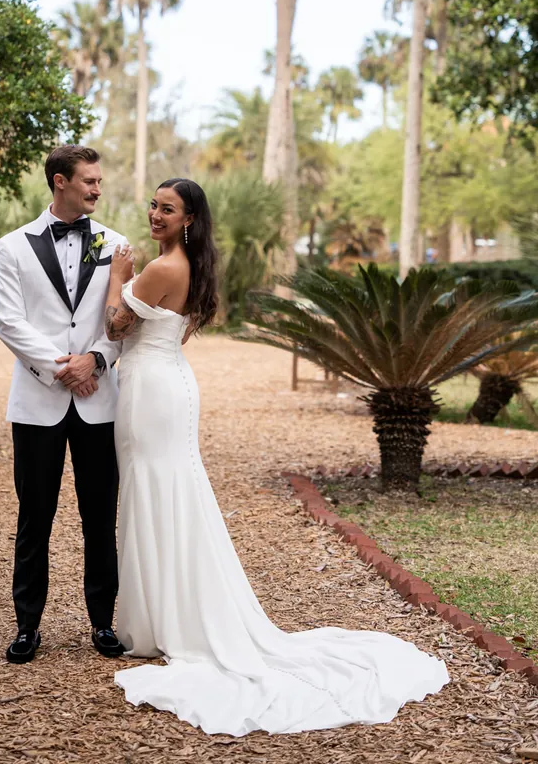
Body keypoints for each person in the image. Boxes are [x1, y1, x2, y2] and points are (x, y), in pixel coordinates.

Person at [104, 177, 450, 736]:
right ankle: (162, 612)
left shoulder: (160, 269)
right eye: (154, 205)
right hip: (169, 382)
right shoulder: (190, 267)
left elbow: (115, 327)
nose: (155, 214)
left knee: (153, 488)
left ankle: (155, 622)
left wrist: (118, 280)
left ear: (189, 218)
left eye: (167, 209)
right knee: (169, 489)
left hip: (150, 390)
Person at [0, 145, 131, 664]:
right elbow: (10, 323)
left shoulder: (116, 246)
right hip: (37, 402)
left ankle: (103, 623)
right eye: (89, 181)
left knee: (101, 516)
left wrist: (93, 361)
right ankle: (27, 626)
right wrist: (61, 368)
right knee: (35, 516)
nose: (97, 189)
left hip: (99, 402)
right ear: (59, 182)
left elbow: (122, 320)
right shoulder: (11, 247)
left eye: (99, 181)